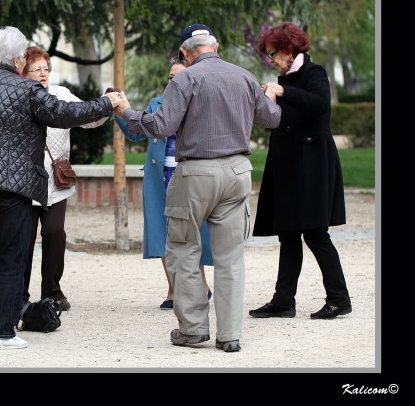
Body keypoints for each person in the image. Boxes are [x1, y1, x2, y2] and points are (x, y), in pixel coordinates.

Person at [0, 26, 122, 351]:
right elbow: (64, 114)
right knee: (11, 256)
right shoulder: (27, 90)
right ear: (18, 58)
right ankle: (0, 332)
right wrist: (105, 103)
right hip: (14, 185)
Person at [113, 23, 281, 353]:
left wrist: (126, 112)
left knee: (183, 249)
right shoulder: (245, 77)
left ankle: (193, 329)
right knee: (231, 257)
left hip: (195, 173)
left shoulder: (187, 78)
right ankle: (230, 335)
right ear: (215, 47)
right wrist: (270, 97)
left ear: (186, 54)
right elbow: (271, 119)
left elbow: (162, 125)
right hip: (237, 171)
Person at [249, 22, 352, 320]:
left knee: (316, 233)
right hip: (287, 163)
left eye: (272, 54)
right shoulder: (284, 78)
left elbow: (319, 105)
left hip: (312, 163)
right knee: (288, 233)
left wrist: (283, 91)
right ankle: (283, 301)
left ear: (287, 49)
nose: (270, 60)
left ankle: (339, 298)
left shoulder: (314, 73)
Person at [114, 60, 213, 310]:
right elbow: (136, 132)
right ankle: (172, 289)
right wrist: (119, 112)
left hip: (190, 175)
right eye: (170, 76)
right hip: (160, 177)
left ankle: (201, 285)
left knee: (193, 231)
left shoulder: (200, 103)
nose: (172, 82)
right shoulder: (157, 104)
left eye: (178, 77)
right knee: (162, 231)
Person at [21, 46, 109, 312]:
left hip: (54, 182)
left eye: (46, 68)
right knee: (23, 239)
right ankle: (18, 294)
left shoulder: (60, 95)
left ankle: (52, 291)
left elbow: (86, 119)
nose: (43, 74)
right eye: (36, 69)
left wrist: (105, 105)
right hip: (23, 182)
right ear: (23, 72)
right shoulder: (17, 96)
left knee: (54, 233)